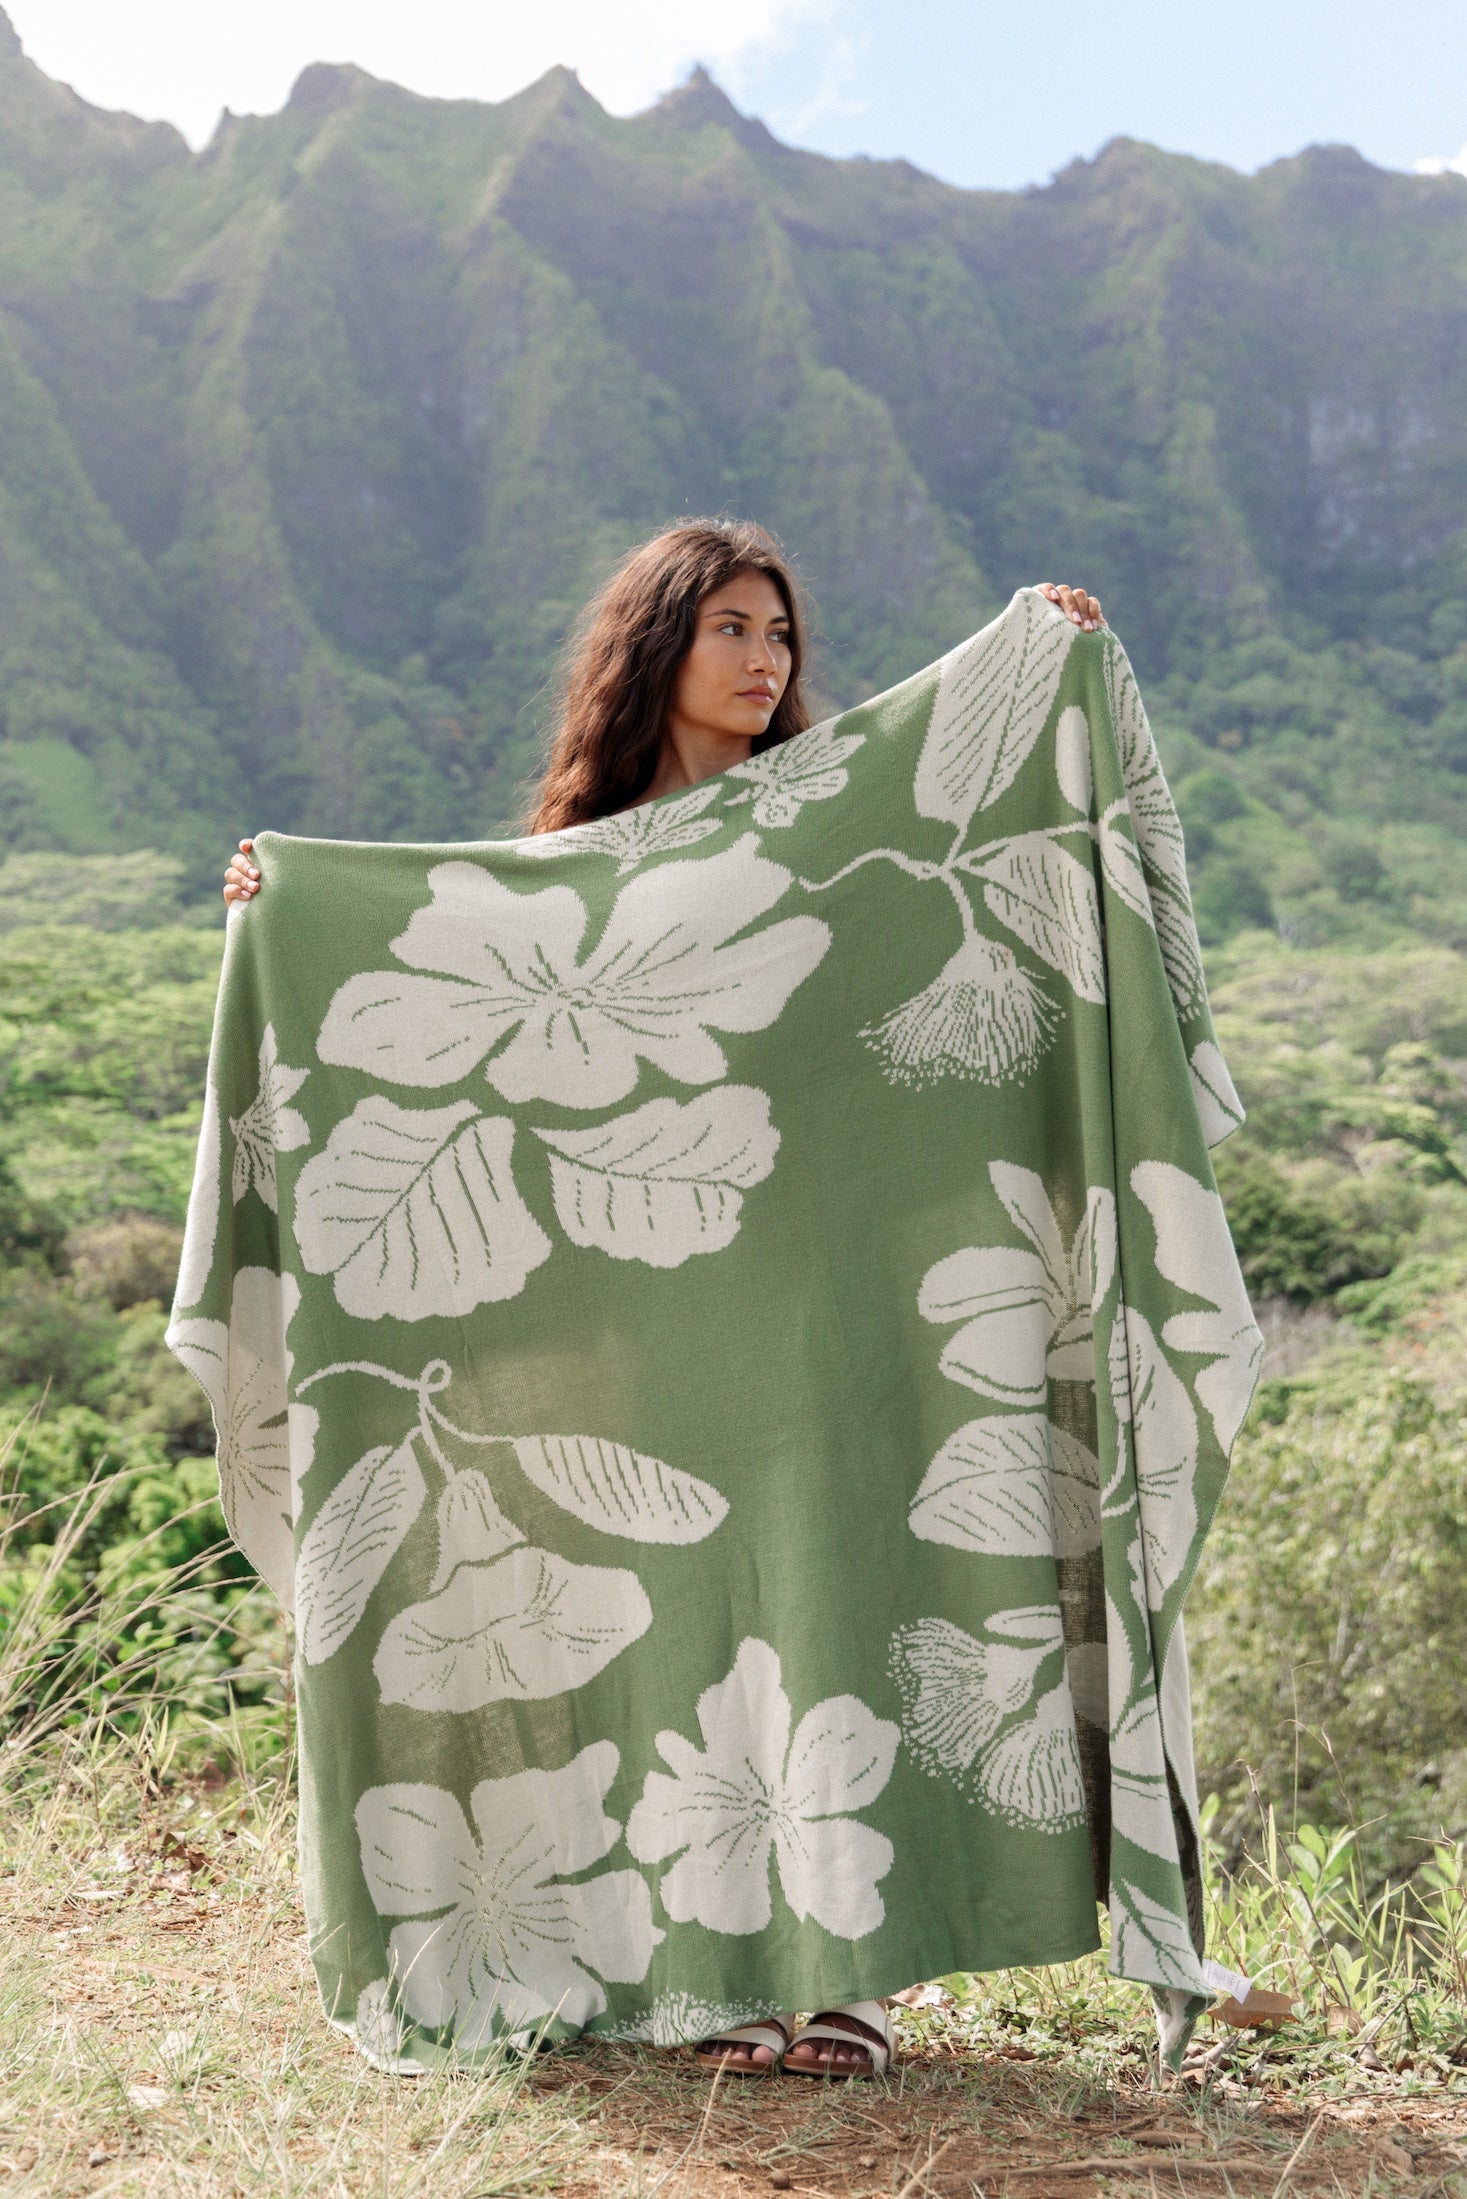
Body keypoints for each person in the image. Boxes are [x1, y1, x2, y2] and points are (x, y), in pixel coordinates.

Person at [220, 520, 1107, 2077]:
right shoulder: (573, 867)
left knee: (821, 1609)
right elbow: (438, 965)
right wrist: (279, 909)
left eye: (781, 636)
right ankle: (703, 1978)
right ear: (655, 652)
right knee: (676, 1634)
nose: (767, 662)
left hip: (809, 1319)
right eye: (733, 632)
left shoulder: (828, 844)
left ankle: (849, 1975)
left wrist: (1037, 653)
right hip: (637, 1336)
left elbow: (923, 986)